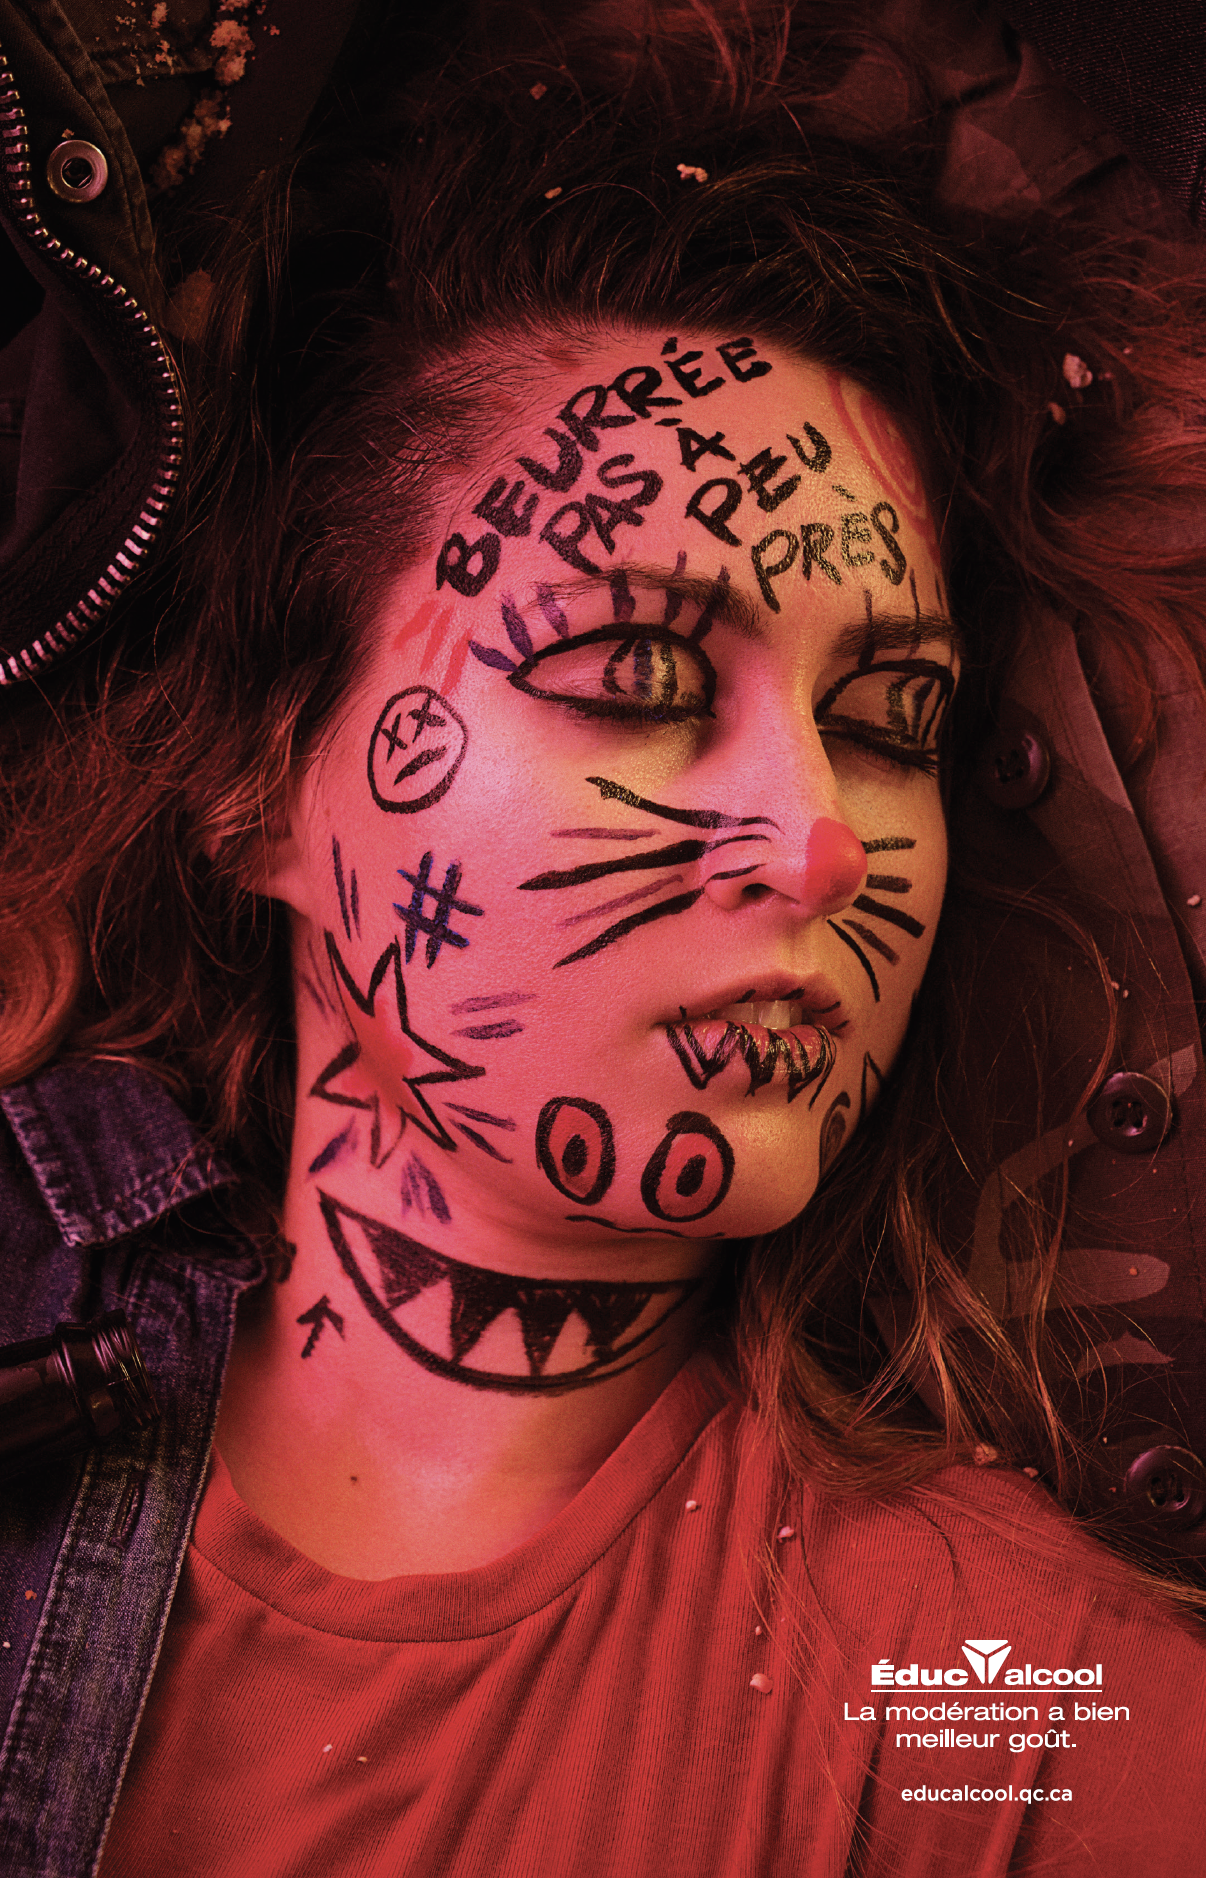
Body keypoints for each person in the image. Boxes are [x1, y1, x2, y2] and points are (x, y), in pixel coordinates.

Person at [1, 4, 1205, 1873]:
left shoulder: (1014, 1719)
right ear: (256, 774)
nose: (819, 842)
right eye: (634, 671)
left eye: (888, 718)